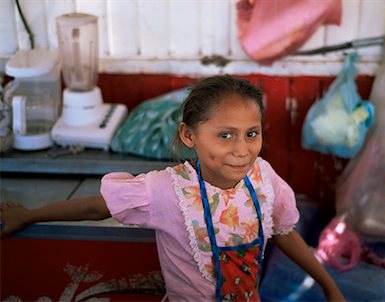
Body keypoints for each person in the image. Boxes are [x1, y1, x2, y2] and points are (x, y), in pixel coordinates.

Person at [0, 75, 345, 302]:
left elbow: (284, 231)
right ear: (189, 136)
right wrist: (28, 215)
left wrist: (328, 286)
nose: (242, 149)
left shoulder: (264, 178)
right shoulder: (167, 189)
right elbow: (96, 207)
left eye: (251, 133)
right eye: (225, 135)